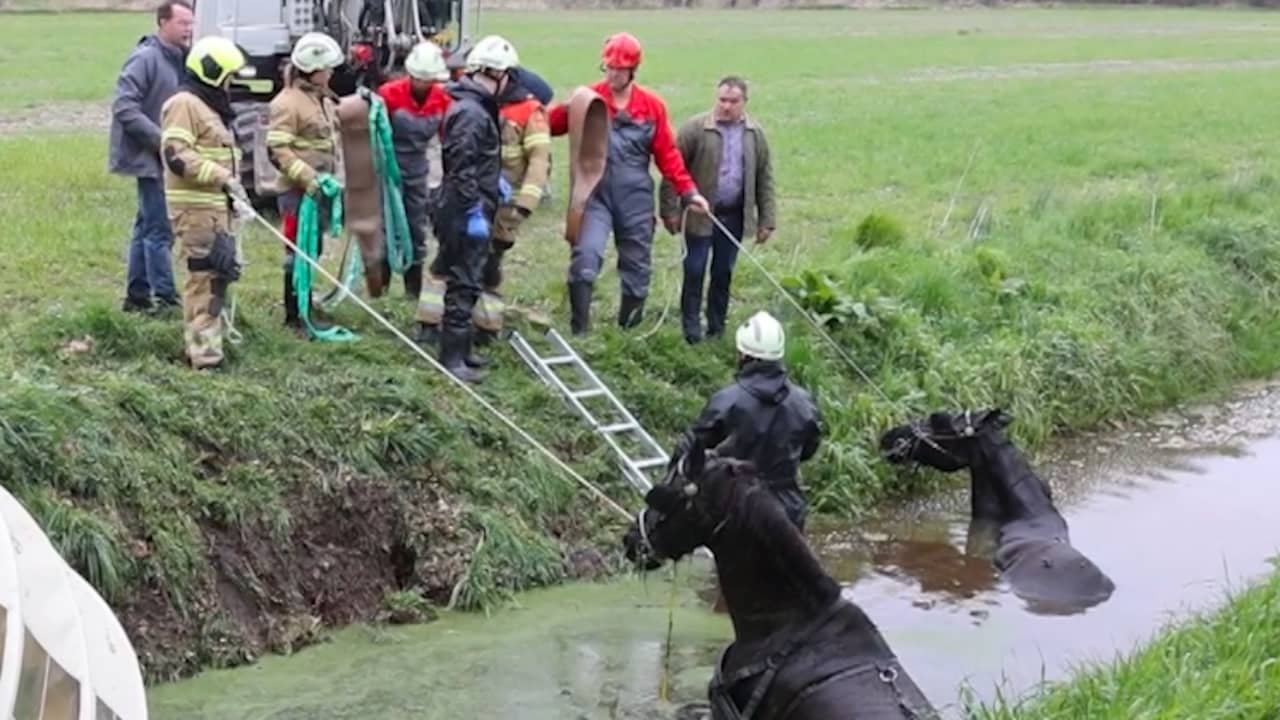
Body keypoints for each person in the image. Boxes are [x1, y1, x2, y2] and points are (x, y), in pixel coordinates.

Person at [548, 32, 710, 336]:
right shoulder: (590, 98)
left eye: (619, 70)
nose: (612, 74)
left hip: (635, 197)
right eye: (608, 68)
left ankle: (627, 335)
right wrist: (565, 108)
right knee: (585, 259)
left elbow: (669, 155)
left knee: (637, 271)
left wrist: (689, 192)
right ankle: (579, 331)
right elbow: (551, 125)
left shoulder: (652, 107)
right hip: (594, 194)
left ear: (633, 70)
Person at [671, 310, 822, 530]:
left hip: (737, 509)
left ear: (744, 355)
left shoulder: (727, 401)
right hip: (788, 511)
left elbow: (692, 448)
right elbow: (809, 449)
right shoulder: (804, 402)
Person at [660, 76, 777, 345]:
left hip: (733, 216)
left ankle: (716, 328)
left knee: (723, 272)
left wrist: (767, 220)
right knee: (695, 269)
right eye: (722, 100)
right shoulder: (695, 129)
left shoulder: (754, 135)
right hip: (699, 216)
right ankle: (691, 329)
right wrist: (670, 211)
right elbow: (672, 170)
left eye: (733, 101)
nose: (726, 106)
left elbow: (764, 178)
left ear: (744, 103)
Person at [158, 35, 249, 370]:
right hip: (196, 212)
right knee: (205, 283)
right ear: (213, 73)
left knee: (217, 278)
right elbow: (176, 156)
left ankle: (206, 349)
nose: (231, 84)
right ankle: (205, 360)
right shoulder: (185, 104)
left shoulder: (208, 107)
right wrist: (222, 177)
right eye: (228, 76)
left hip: (214, 210)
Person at [435, 35, 519, 384]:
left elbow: (477, 160)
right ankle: (452, 359)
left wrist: (494, 180)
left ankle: (463, 349)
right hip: (463, 208)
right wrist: (472, 210)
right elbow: (461, 164)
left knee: (470, 278)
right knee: (464, 280)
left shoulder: (477, 107)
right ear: (494, 73)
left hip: (476, 202)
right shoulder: (471, 112)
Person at [109, 0, 193, 314]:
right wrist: (162, 141)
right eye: (182, 23)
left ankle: (137, 296)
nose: (188, 30)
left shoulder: (180, 58)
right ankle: (165, 299)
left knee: (146, 226)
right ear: (162, 23)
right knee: (160, 230)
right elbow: (124, 107)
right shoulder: (145, 58)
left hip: (166, 155)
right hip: (151, 157)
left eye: (190, 23)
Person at [266, 31, 345, 333]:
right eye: (328, 67)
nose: (332, 72)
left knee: (310, 249)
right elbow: (277, 150)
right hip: (297, 193)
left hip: (316, 191)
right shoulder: (288, 103)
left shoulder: (319, 99)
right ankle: (293, 314)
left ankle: (306, 305)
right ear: (313, 70)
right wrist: (308, 178)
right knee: (296, 251)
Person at [473, 68, 552, 345]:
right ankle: (447, 324)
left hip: (505, 206)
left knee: (491, 265)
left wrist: (523, 206)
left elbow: (539, 162)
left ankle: (486, 328)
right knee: (462, 262)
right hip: (473, 199)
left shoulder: (527, 111)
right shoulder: (474, 102)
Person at [378, 41, 453, 300]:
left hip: (418, 169)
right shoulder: (389, 94)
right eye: (419, 78)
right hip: (388, 168)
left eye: (428, 79)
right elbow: (375, 135)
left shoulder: (443, 99)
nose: (424, 84)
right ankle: (381, 291)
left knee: (415, 227)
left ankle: (413, 292)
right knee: (385, 228)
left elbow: (448, 140)